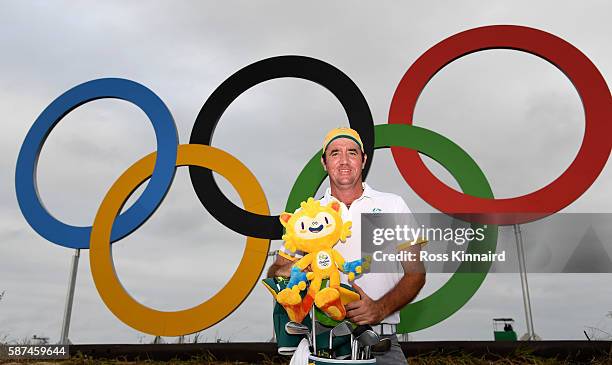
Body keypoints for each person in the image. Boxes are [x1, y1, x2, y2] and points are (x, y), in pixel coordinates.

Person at [267, 127, 425, 365]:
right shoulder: (305, 215)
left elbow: (416, 273)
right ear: (324, 163)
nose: (343, 160)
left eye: (352, 152)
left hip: (381, 342)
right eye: (334, 153)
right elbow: (275, 272)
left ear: (363, 160)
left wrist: (380, 309)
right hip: (322, 344)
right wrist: (294, 270)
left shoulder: (393, 204)